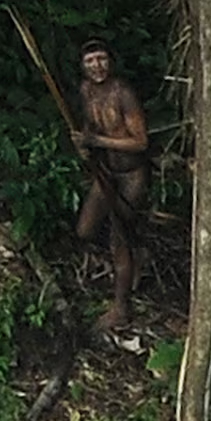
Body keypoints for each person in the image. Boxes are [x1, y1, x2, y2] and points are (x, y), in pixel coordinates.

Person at [72, 39, 149, 331]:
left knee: (120, 238)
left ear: (111, 61)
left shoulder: (123, 93)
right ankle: (132, 256)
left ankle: (121, 307)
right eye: (91, 61)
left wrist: (98, 141)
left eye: (102, 59)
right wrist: (84, 142)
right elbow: (90, 126)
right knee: (85, 229)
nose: (97, 66)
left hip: (131, 175)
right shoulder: (86, 91)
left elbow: (140, 142)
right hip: (106, 172)